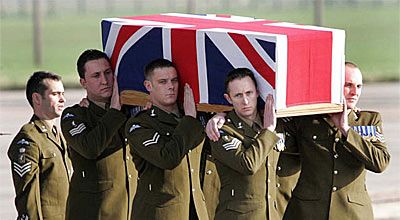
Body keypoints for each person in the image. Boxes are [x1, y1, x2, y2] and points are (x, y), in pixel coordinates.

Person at [282, 62, 390, 219]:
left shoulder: (369, 121)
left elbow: (380, 162)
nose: (355, 92)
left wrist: (346, 130)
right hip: (308, 212)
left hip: (352, 214)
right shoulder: (305, 120)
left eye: (359, 86)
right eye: (348, 85)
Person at [125, 58, 208, 220]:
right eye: (162, 82)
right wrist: (190, 119)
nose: (171, 86)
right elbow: (167, 158)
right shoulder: (140, 124)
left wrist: (218, 116)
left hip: (196, 211)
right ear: (149, 86)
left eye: (174, 80)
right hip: (160, 214)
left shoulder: (196, 118)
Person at [61, 49, 137, 220]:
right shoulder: (74, 116)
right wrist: (114, 110)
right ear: (83, 82)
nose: (104, 81)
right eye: (96, 76)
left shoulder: (131, 112)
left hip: (131, 210)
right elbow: (90, 148)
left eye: (108, 73)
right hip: (94, 213)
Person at [208, 68, 281, 219]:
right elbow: (248, 164)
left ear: (257, 92)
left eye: (249, 93)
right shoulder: (222, 130)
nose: (245, 101)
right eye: (238, 95)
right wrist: (268, 130)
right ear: (228, 99)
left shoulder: (273, 122)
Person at [8, 71, 72, 220]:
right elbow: (28, 198)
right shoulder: (29, 139)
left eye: (62, 93)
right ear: (37, 98)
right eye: (55, 94)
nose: (62, 99)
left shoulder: (57, 135)